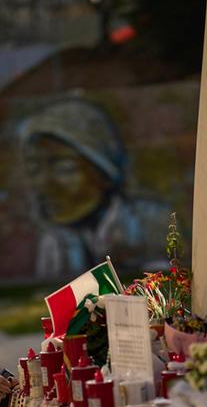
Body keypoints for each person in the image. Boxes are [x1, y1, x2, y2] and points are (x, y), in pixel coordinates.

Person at [20, 97, 172, 279]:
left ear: (103, 172)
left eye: (64, 169)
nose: (44, 184)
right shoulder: (52, 241)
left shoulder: (154, 221)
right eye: (34, 169)